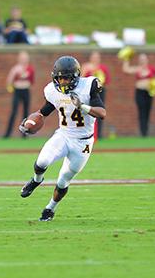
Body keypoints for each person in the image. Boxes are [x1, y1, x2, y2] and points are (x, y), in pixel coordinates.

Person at [18, 56, 106, 221]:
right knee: (41, 162)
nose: (63, 82)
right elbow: (43, 112)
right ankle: (36, 181)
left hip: (83, 142)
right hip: (64, 135)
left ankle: (50, 208)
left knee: (63, 180)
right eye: (60, 78)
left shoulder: (89, 86)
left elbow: (102, 113)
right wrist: (29, 123)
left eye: (66, 78)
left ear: (75, 76)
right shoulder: (52, 90)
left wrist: (82, 106)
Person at [122, 53, 155, 137]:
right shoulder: (137, 69)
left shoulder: (151, 69)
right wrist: (126, 58)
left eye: (144, 59)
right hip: (139, 92)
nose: (142, 61)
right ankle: (143, 132)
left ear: (147, 60)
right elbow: (126, 69)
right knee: (141, 111)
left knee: (147, 111)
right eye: (141, 59)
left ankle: (146, 131)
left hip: (149, 92)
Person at [3, 51, 35, 138]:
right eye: (22, 58)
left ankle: (24, 134)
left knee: (26, 113)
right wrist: (11, 88)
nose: (24, 60)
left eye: (25, 58)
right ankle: (8, 133)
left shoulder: (30, 69)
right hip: (17, 91)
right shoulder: (16, 68)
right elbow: (9, 80)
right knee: (14, 112)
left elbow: (31, 81)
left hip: (26, 91)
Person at [82, 51, 111, 139]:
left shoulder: (103, 68)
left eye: (97, 57)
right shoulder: (86, 66)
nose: (95, 59)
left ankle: (99, 134)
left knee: (99, 111)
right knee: (88, 111)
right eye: (94, 57)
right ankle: (88, 134)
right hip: (88, 92)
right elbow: (81, 79)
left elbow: (107, 80)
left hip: (100, 92)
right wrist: (87, 70)